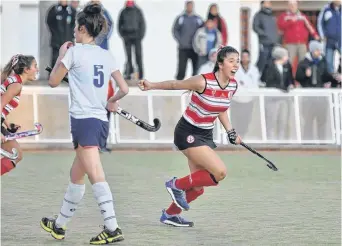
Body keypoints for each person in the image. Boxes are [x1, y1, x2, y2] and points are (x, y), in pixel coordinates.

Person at [40, 3, 129, 244]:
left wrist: (60, 55)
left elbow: (53, 81)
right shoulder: (105, 54)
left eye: (75, 30)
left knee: (95, 173)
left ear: (81, 29)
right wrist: (111, 101)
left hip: (83, 120)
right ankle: (59, 225)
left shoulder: (74, 52)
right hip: (99, 121)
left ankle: (112, 227)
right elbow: (124, 88)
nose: (73, 35)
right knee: (76, 175)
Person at [138, 46, 242, 227]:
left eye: (237, 61)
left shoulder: (232, 85)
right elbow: (175, 85)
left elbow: (221, 108)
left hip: (205, 134)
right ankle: (175, 184)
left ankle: (170, 215)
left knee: (197, 189)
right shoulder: (203, 81)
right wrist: (152, 85)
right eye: (231, 61)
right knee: (220, 172)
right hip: (188, 132)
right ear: (220, 63)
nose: (235, 65)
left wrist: (230, 131)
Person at [1, 54, 38, 175]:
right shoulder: (16, 85)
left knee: (15, 154)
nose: (37, 69)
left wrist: (8, 124)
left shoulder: (13, 80)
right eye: (35, 66)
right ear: (26, 70)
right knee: (15, 155)